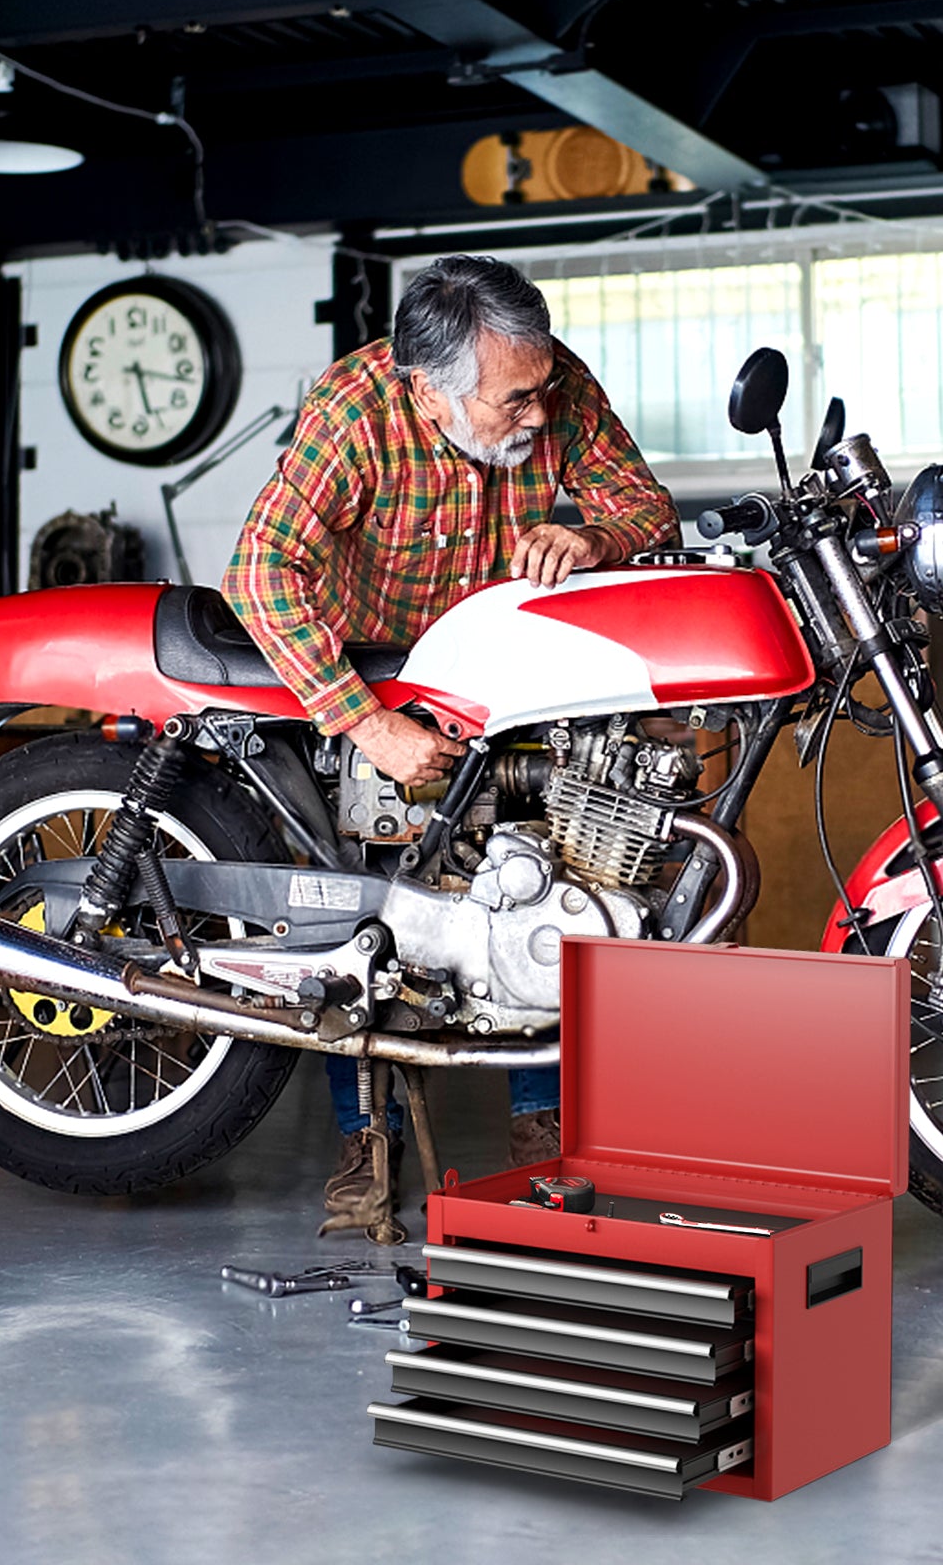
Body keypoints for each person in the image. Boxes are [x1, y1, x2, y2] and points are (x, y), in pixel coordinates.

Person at [221, 253, 678, 1218]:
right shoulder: (354, 414)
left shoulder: (549, 378)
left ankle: (543, 1124)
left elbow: (644, 504)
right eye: (516, 401)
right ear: (432, 393)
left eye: (542, 390)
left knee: (543, 881)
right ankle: (365, 1144)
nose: (541, 415)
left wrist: (595, 541)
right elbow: (259, 571)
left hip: (508, 686)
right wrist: (364, 722)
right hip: (376, 678)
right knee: (361, 911)